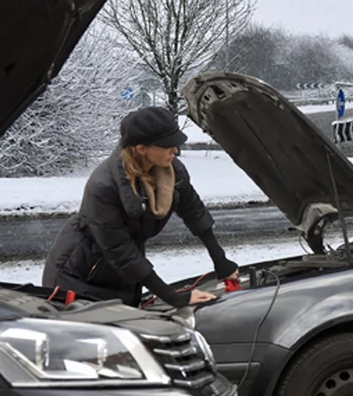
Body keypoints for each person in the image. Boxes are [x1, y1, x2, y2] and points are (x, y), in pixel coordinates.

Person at [42, 106, 238, 307]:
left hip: (122, 276)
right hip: (78, 278)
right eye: (167, 145)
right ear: (141, 149)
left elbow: (195, 212)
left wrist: (221, 262)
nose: (175, 150)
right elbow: (121, 251)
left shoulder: (172, 172)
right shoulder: (103, 186)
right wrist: (175, 298)